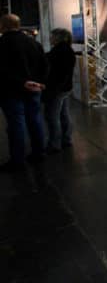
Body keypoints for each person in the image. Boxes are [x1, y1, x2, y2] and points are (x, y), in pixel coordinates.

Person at [0, 14, 48, 172]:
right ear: (18, 25)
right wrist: (40, 83)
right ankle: (39, 153)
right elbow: (45, 65)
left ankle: (18, 159)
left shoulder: (2, 44)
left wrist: (22, 83)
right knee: (35, 120)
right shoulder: (33, 43)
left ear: (3, 26)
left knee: (16, 125)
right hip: (34, 90)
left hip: (11, 92)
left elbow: (2, 71)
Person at [43, 28, 76, 154]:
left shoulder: (59, 51)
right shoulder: (67, 50)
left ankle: (54, 144)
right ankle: (66, 139)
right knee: (63, 114)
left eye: (52, 36)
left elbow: (58, 73)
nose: (50, 38)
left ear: (58, 38)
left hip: (57, 89)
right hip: (65, 88)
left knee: (52, 116)